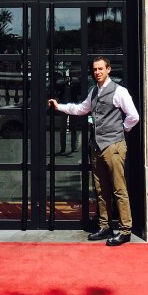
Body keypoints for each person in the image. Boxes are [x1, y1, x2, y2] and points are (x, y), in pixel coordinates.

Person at [47, 56, 139, 246]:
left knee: (118, 189)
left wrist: (121, 130)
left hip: (113, 146)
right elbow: (81, 109)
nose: (97, 72)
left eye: (100, 69)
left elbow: (134, 116)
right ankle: (105, 226)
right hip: (97, 146)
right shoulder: (94, 92)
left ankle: (125, 230)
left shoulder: (119, 91)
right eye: (95, 69)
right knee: (101, 189)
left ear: (108, 70)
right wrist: (59, 107)